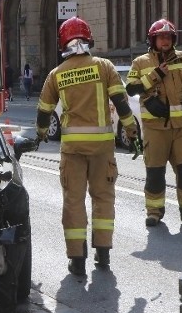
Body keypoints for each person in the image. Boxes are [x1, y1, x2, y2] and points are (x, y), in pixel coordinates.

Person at [36, 17, 138, 276]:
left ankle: (77, 260)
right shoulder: (104, 66)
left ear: (63, 42)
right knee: (103, 198)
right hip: (103, 146)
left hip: (72, 149)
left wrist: (40, 133)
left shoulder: (56, 74)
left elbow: (44, 111)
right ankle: (102, 255)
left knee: (74, 200)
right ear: (88, 38)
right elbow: (122, 103)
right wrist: (132, 132)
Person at [126, 19, 182, 228]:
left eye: (168, 37)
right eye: (160, 37)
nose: (164, 40)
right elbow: (131, 89)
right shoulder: (140, 62)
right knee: (155, 173)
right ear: (153, 39)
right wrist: (156, 75)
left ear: (173, 39)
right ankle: (154, 212)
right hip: (155, 129)